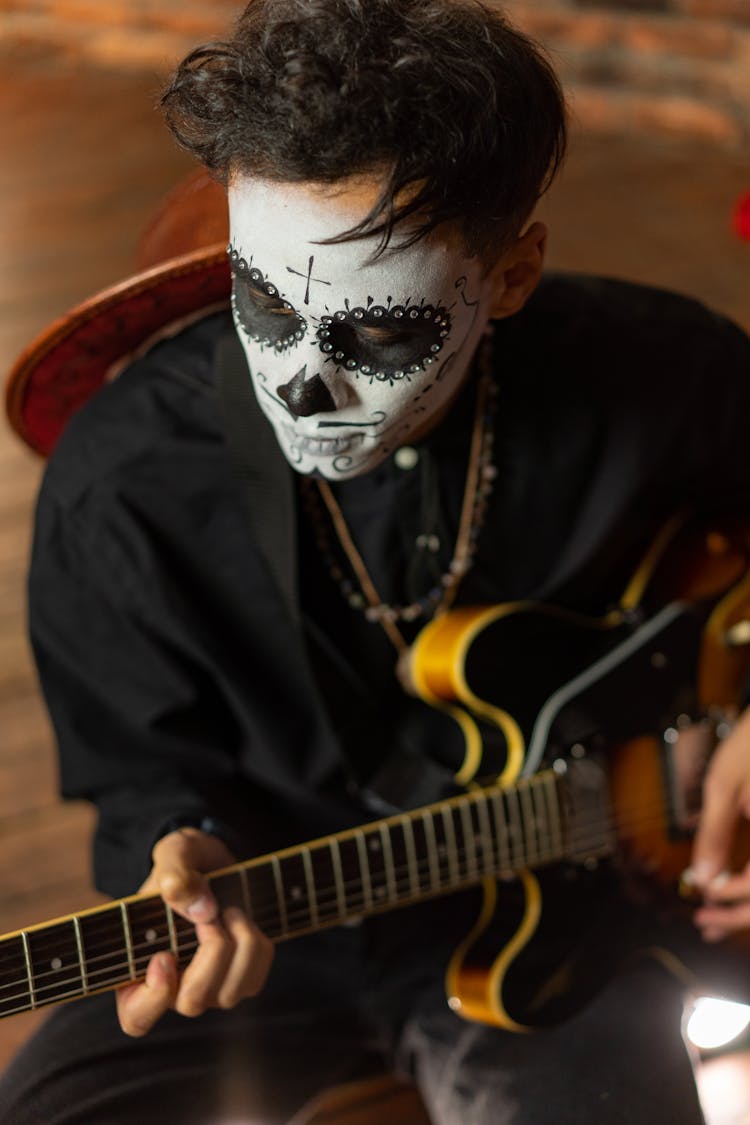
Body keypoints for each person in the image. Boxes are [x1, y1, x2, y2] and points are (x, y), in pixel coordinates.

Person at [2, 0, 750, 1121]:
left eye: (382, 332)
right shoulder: (123, 482)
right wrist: (174, 840)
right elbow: (136, 770)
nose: (303, 384)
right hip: (270, 936)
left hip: (586, 930)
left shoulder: (664, 374)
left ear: (509, 277)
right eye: (263, 303)